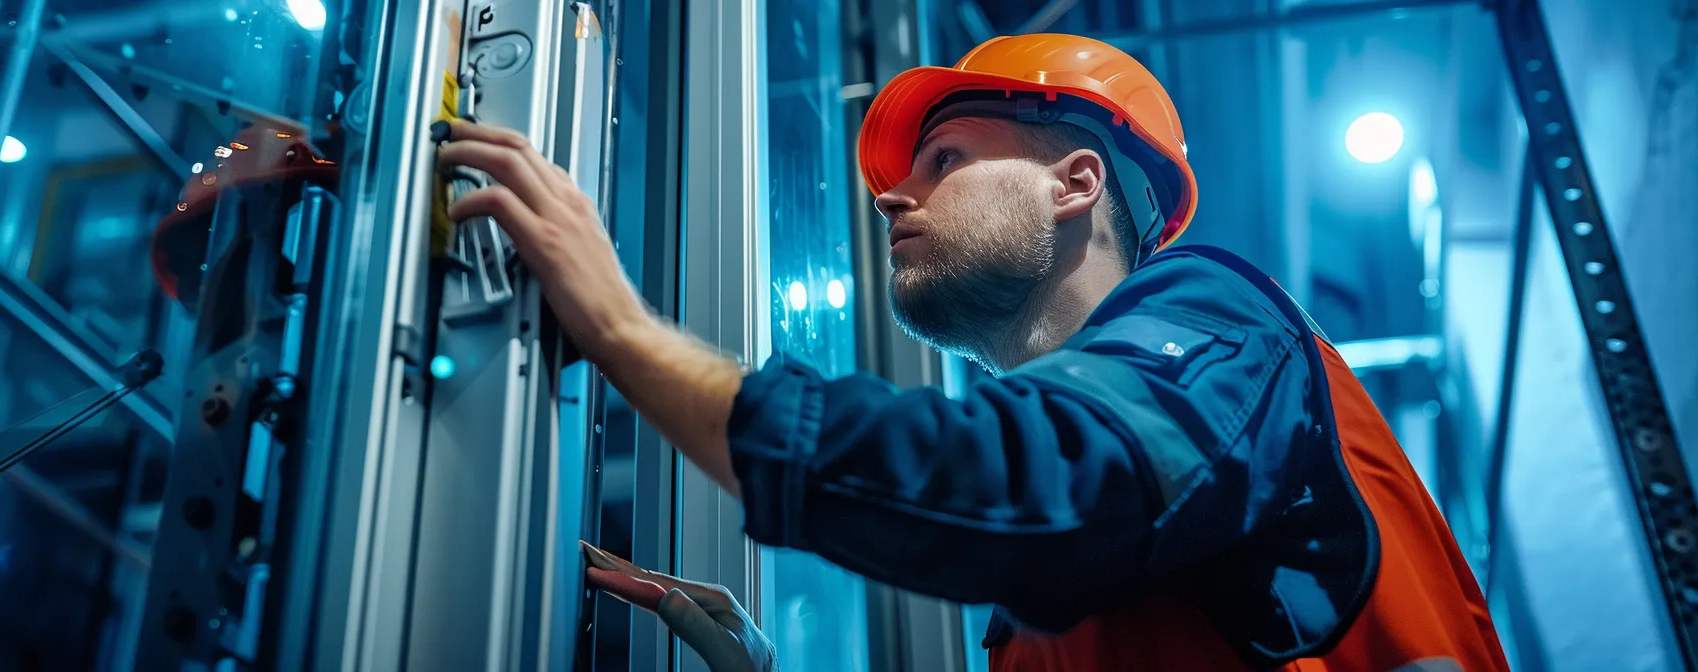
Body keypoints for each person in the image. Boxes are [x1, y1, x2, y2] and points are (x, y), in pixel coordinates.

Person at [437, 33, 1508, 672]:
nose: (895, 196)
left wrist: (620, 330)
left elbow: (1025, 486)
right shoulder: (1052, 603)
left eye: (945, 158)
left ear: (1075, 183)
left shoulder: (1224, 322)